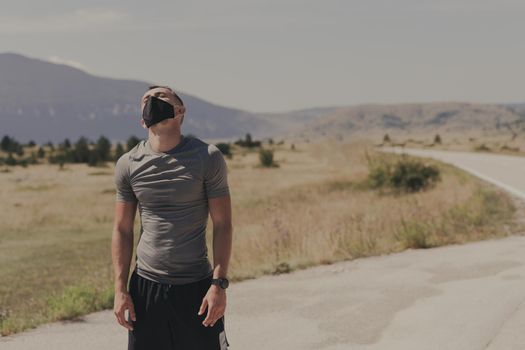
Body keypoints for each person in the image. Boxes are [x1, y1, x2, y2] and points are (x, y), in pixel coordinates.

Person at [112, 85, 232, 350]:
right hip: (146, 289)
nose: (154, 100)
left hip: (197, 288)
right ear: (142, 119)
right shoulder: (128, 163)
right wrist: (120, 289)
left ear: (180, 111)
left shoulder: (207, 157)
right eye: (147, 100)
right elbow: (122, 229)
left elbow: (223, 224)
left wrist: (219, 285)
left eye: (162, 96)